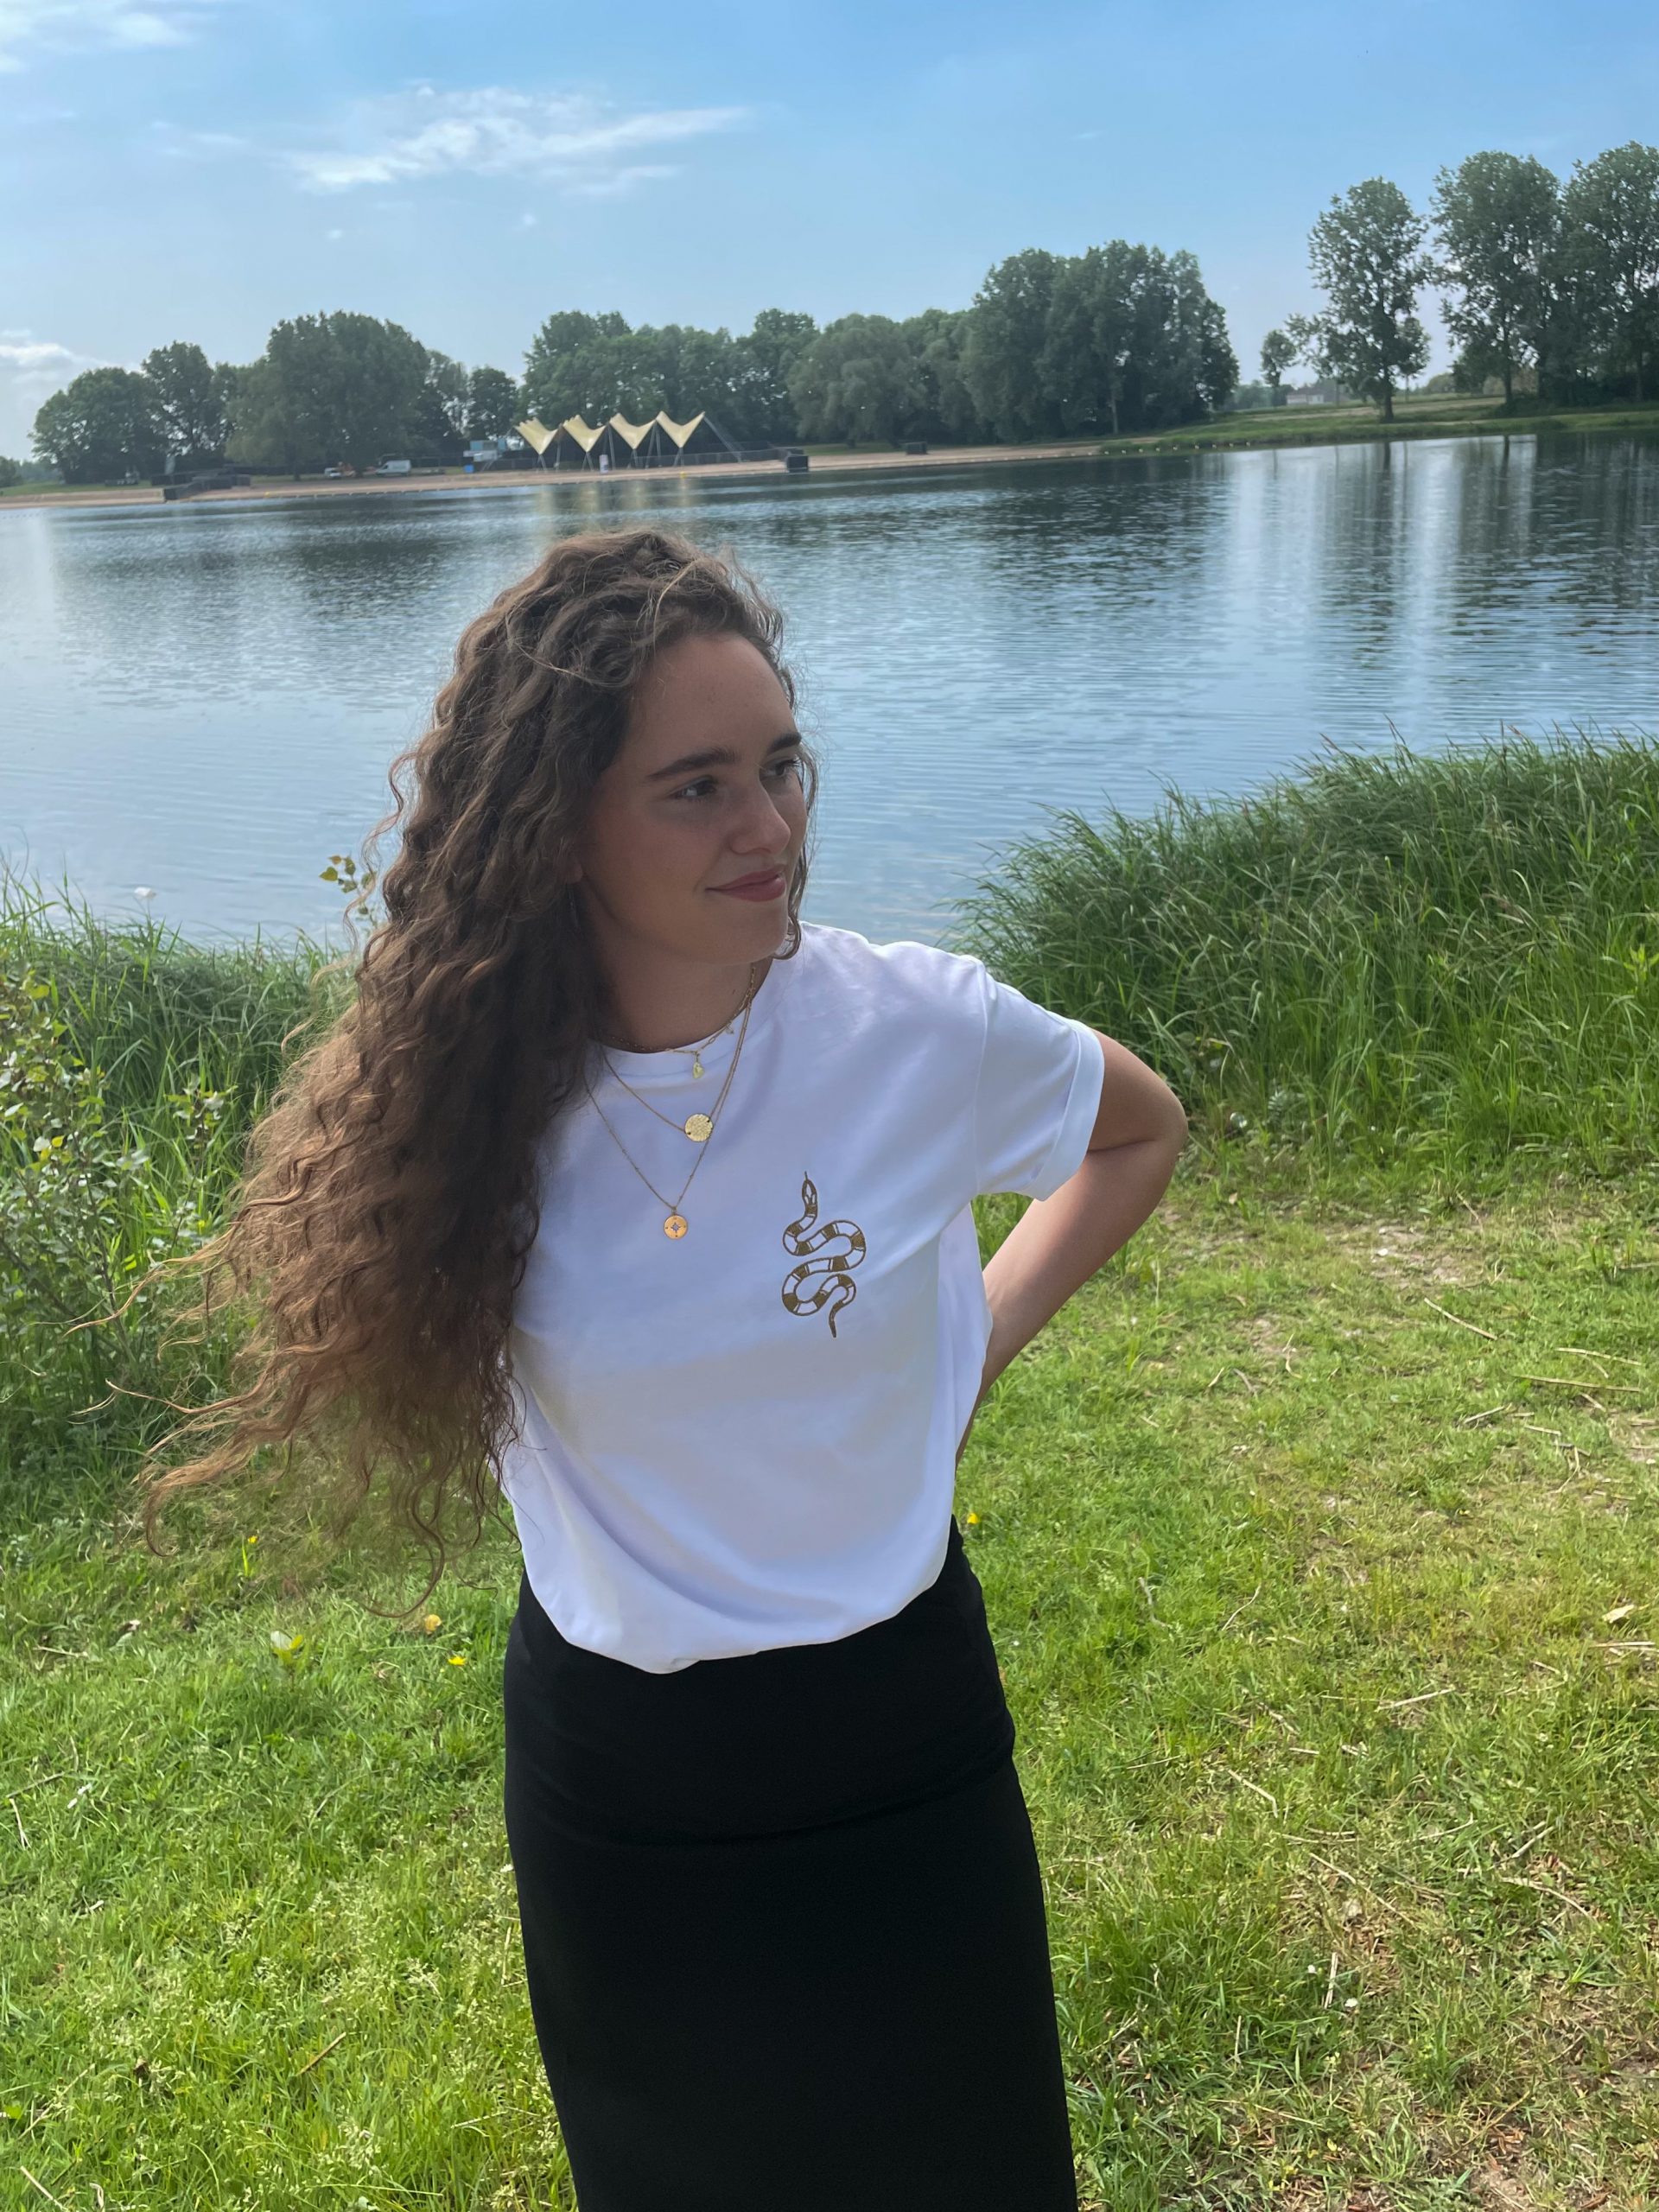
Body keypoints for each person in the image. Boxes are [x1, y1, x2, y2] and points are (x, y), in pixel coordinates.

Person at [138, 525, 1187, 2211]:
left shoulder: (913, 1029)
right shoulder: (462, 1101)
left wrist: (969, 1350)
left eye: (780, 765)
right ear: (558, 825)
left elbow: (1139, 1132)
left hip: (900, 1737)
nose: (769, 827)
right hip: (624, 1784)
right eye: (696, 787)